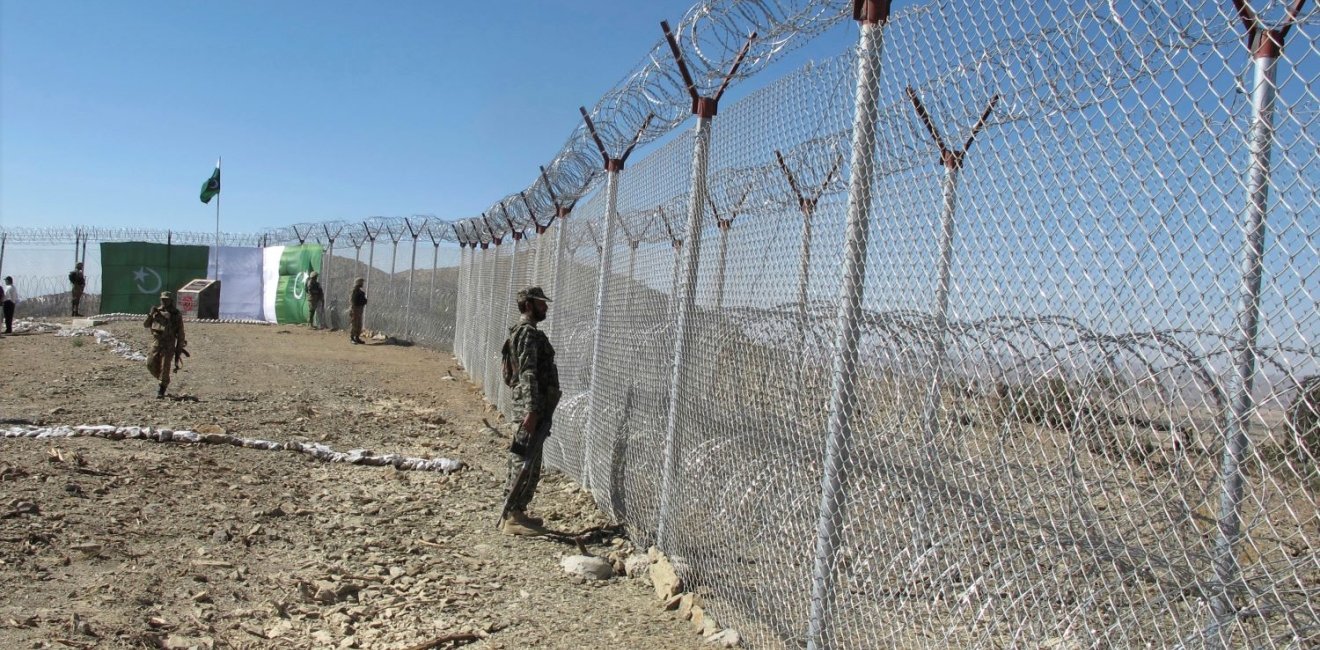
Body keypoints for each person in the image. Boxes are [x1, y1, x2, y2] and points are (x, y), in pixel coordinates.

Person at [498, 286, 561, 536]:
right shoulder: (527, 333)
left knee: (530, 459)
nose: (545, 307)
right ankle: (512, 516)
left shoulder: (525, 332)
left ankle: (517, 512)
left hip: (533, 405)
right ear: (528, 305)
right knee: (523, 458)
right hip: (530, 406)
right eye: (540, 303)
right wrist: (532, 410)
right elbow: (527, 373)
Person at [143, 291, 186, 399]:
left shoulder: (176, 314)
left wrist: (179, 348)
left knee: (165, 367)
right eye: (162, 299)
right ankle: (163, 380)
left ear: (171, 300)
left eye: (166, 299)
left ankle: (161, 389)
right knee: (150, 364)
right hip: (157, 343)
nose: (164, 301)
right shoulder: (156, 311)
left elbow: (180, 333)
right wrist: (150, 314)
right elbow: (146, 325)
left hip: (169, 344)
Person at [349, 278, 367, 344]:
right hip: (355, 309)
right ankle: (352, 338)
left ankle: (357, 337)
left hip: (359, 310)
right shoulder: (354, 291)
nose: (362, 284)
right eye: (361, 282)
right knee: (354, 324)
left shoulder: (360, 292)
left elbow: (364, 301)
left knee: (359, 324)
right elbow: (354, 301)